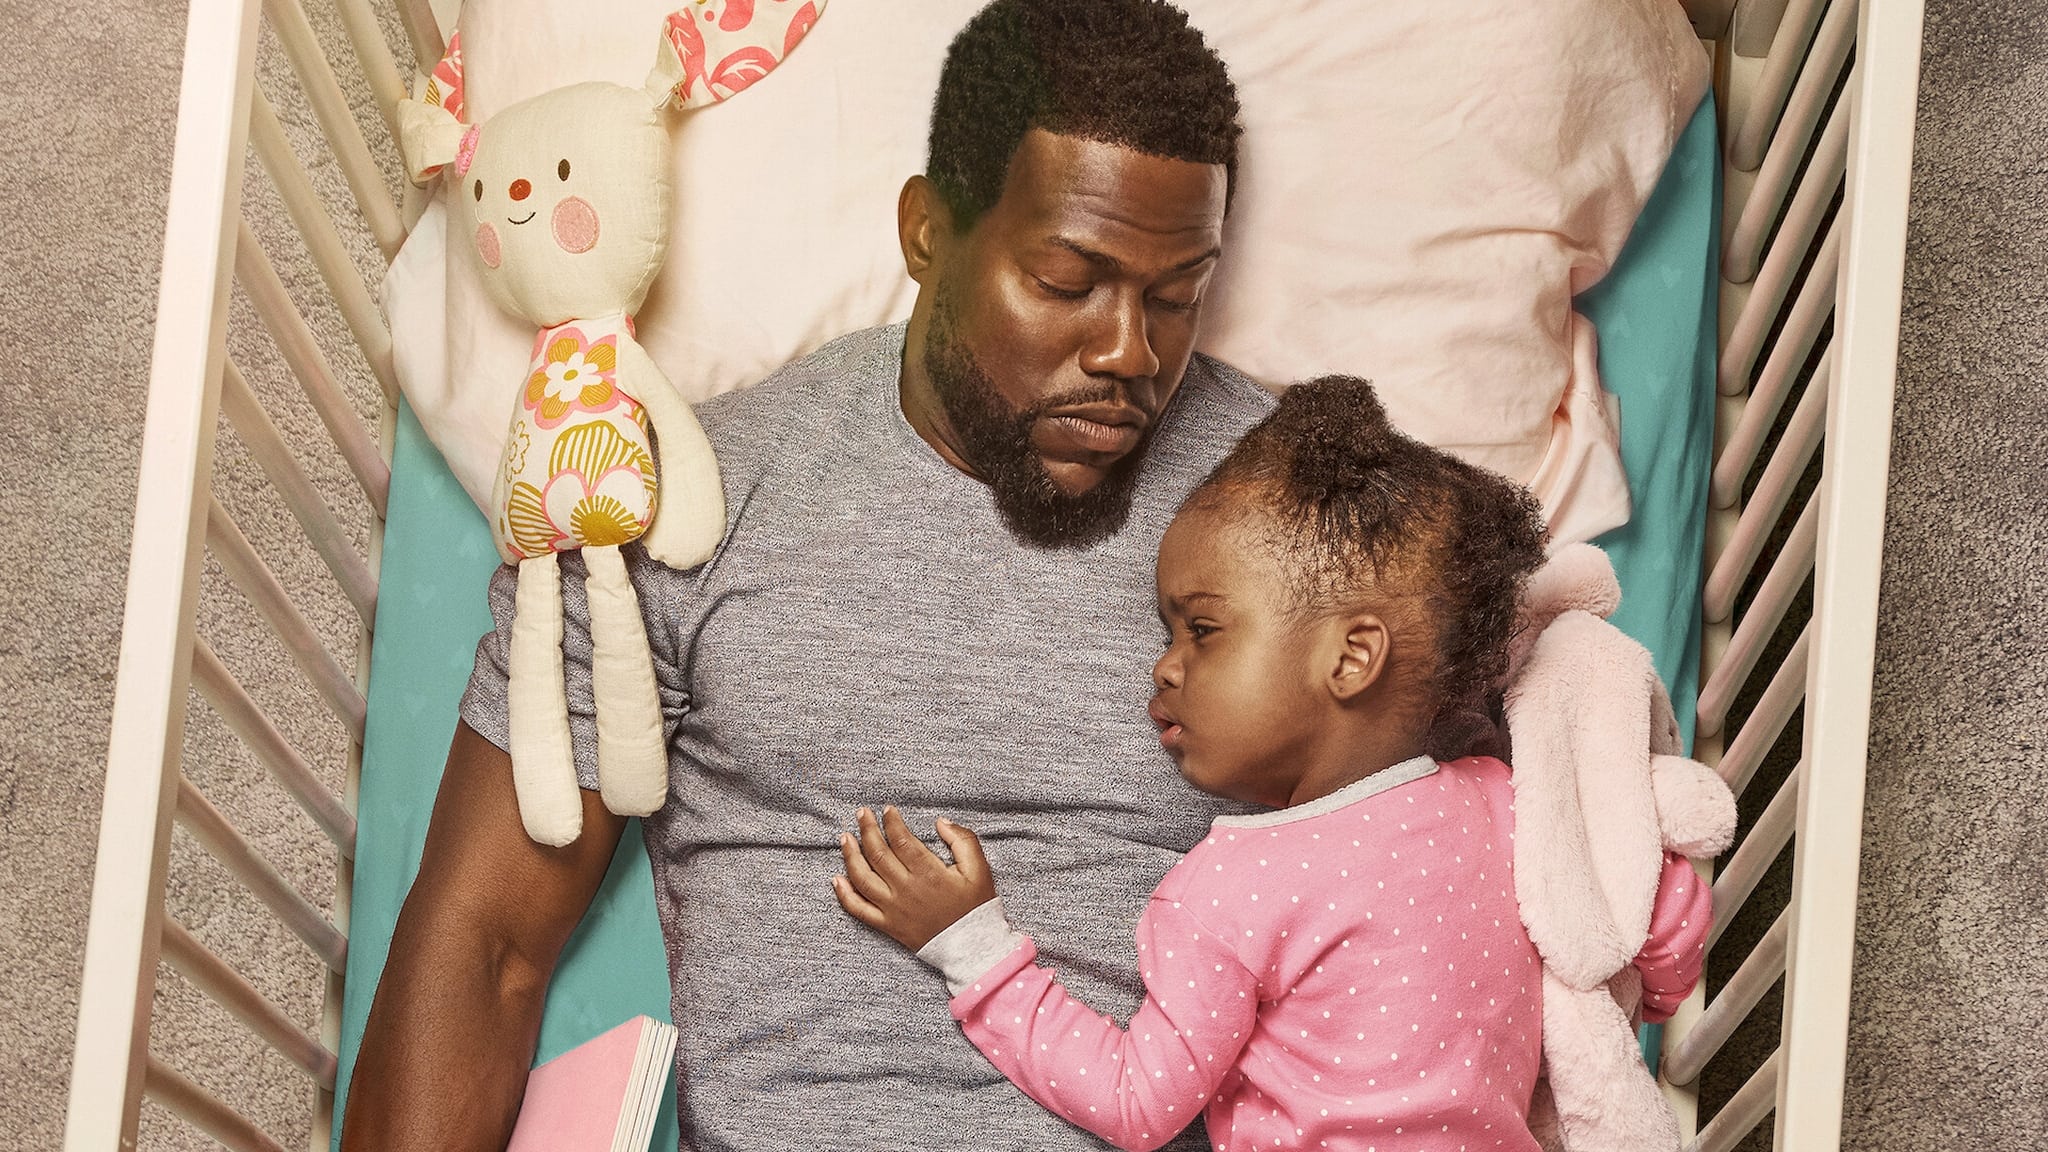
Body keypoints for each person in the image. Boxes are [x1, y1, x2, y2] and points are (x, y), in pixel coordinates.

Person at [340, 1, 1272, 1149]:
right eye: (1066, 279)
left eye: (1175, 296)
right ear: (926, 233)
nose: (1129, 351)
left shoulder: (1297, 513)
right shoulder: (686, 499)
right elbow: (485, 941)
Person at [831, 379, 1712, 1152]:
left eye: (1202, 629)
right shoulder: (1503, 800)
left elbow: (1137, 1102)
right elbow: (1648, 916)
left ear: (1351, 657)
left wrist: (974, 948)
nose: (1164, 667)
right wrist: (1659, 950)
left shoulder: (1230, 891)